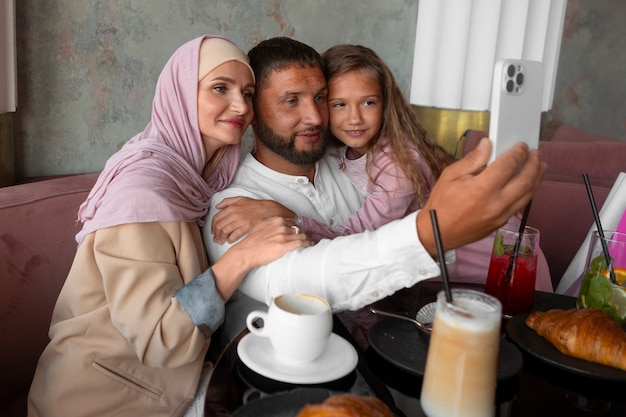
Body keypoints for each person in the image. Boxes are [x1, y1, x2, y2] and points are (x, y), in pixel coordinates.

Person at [26, 35, 311, 417]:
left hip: (165, 388)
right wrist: (243, 255)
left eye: (247, 92)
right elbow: (162, 340)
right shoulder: (142, 192)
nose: (241, 105)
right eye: (219, 88)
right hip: (98, 398)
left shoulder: (198, 179)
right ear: (179, 93)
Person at [202, 36, 545, 341]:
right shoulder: (234, 203)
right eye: (291, 101)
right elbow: (299, 283)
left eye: (321, 98)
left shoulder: (351, 157)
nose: (316, 117)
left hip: (475, 294)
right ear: (253, 114)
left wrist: (289, 219)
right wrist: (426, 233)